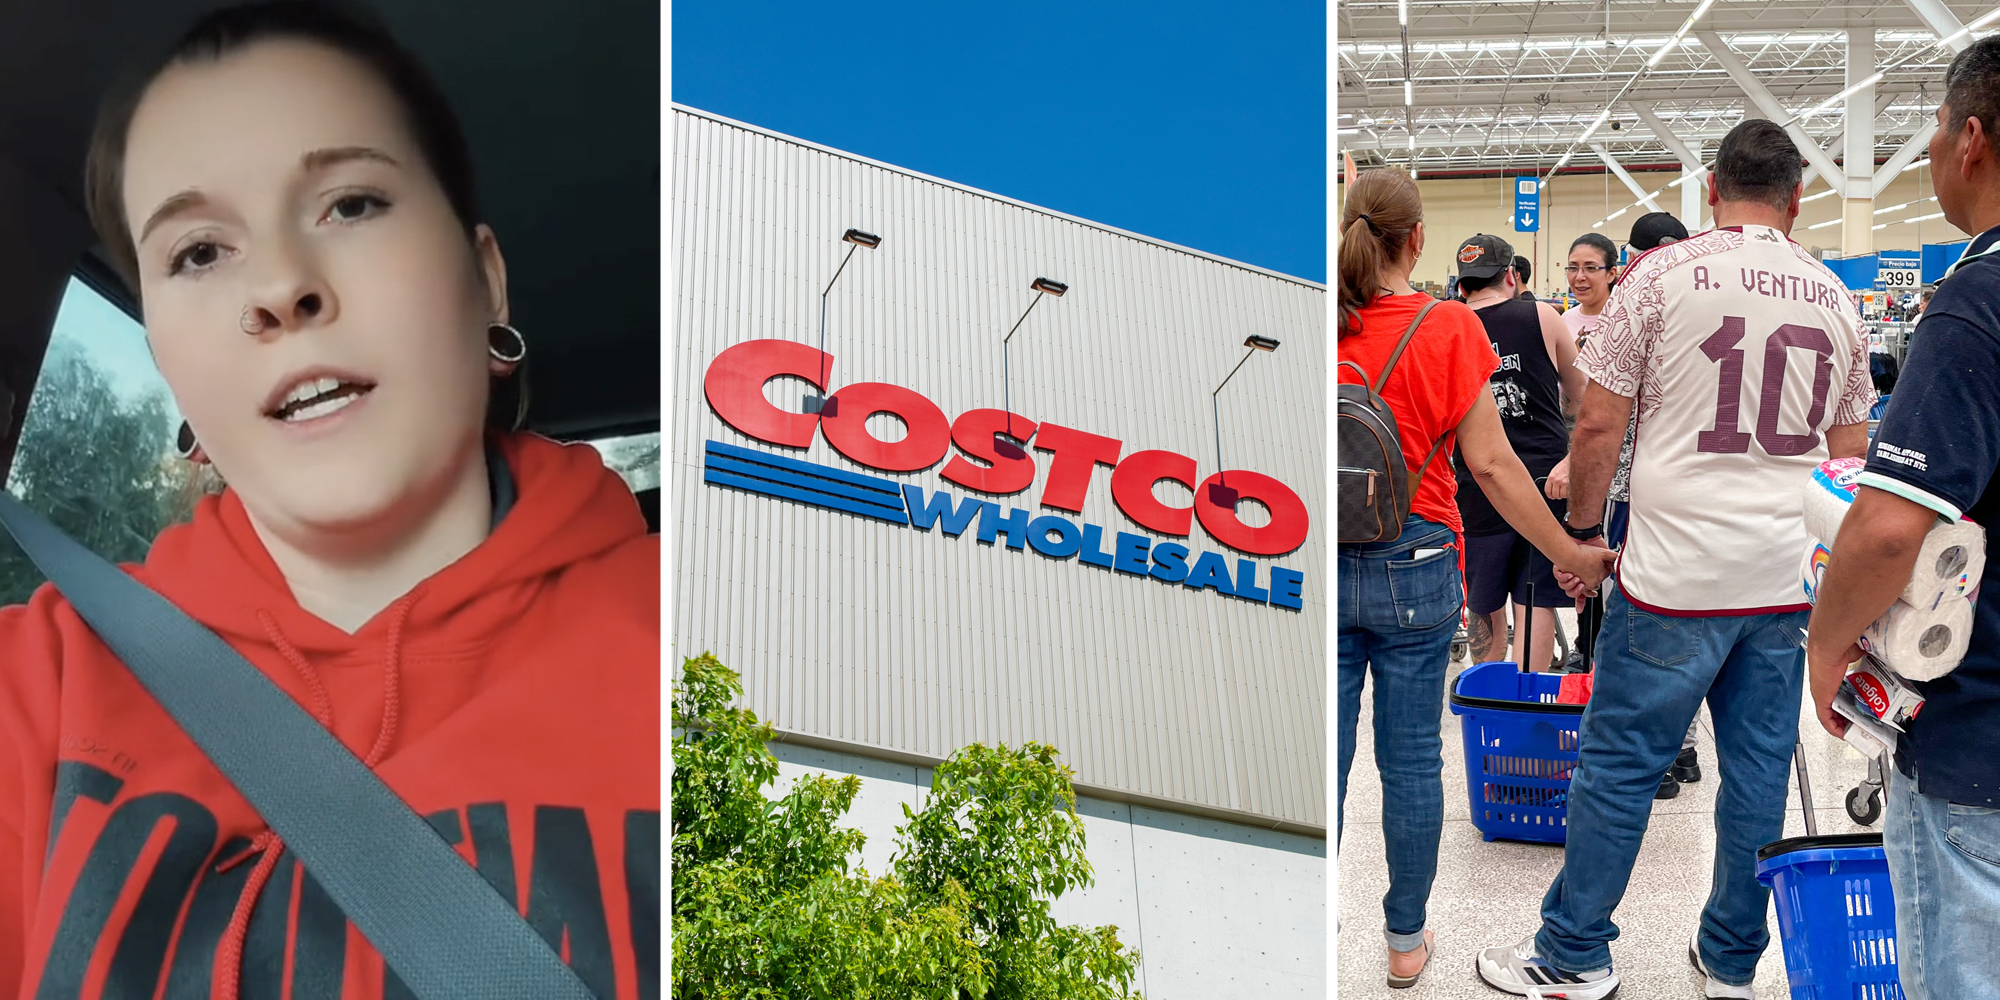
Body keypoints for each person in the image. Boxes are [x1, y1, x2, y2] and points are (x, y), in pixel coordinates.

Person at [0, 2, 660, 995]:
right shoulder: (36, 688)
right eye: (198, 252)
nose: (279, 286)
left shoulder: (701, 648)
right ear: (169, 359)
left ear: (485, 280)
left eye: (350, 203)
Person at [1476, 120, 1875, 999]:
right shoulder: (1834, 296)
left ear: (1710, 191)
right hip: (1781, 584)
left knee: (1619, 767)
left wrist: (1582, 536)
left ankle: (1574, 952)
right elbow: (1850, 466)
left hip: (1670, 583)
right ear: (1799, 198)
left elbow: (1596, 422)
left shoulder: (1658, 278)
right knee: (1758, 776)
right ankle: (1731, 960)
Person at [1337, 168, 1615, 991]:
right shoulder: (1448, 325)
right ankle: (1403, 942)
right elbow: (1492, 467)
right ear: (1417, 240)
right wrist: (1569, 552)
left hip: (1330, 556)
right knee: (1413, 761)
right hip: (1417, 563)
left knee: (1327, 748)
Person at [1805, 36, 2000, 1000]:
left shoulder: (1976, 302)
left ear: (1971, 137)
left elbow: (1888, 529)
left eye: (1930, 126)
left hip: (1980, 749)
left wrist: (1825, 646)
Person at [1449, 235, 1585, 670]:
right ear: (1512, 275)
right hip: (1543, 482)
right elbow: (1581, 397)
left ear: (1462, 286)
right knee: (1534, 599)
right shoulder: (1543, 316)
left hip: (1474, 483)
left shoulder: (1448, 325)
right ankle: (1526, 706)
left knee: (1484, 600)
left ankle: (1486, 698)